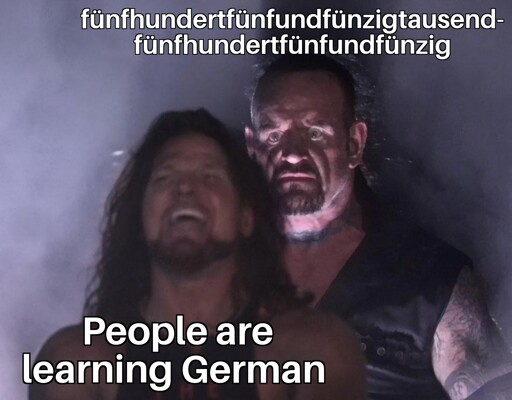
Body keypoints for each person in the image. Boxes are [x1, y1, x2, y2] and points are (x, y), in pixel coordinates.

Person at [29, 109, 366, 400]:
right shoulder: (75, 362)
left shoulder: (315, 350)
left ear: (246, 217)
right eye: (165, 177)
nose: (185, 188)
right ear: (140, 217)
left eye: (210, 176)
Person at [245, 54, 512, 400]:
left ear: (354, 143)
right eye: (273, 136)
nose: (292, 153)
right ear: (252, 147)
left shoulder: (430, 279)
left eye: (314, 132)